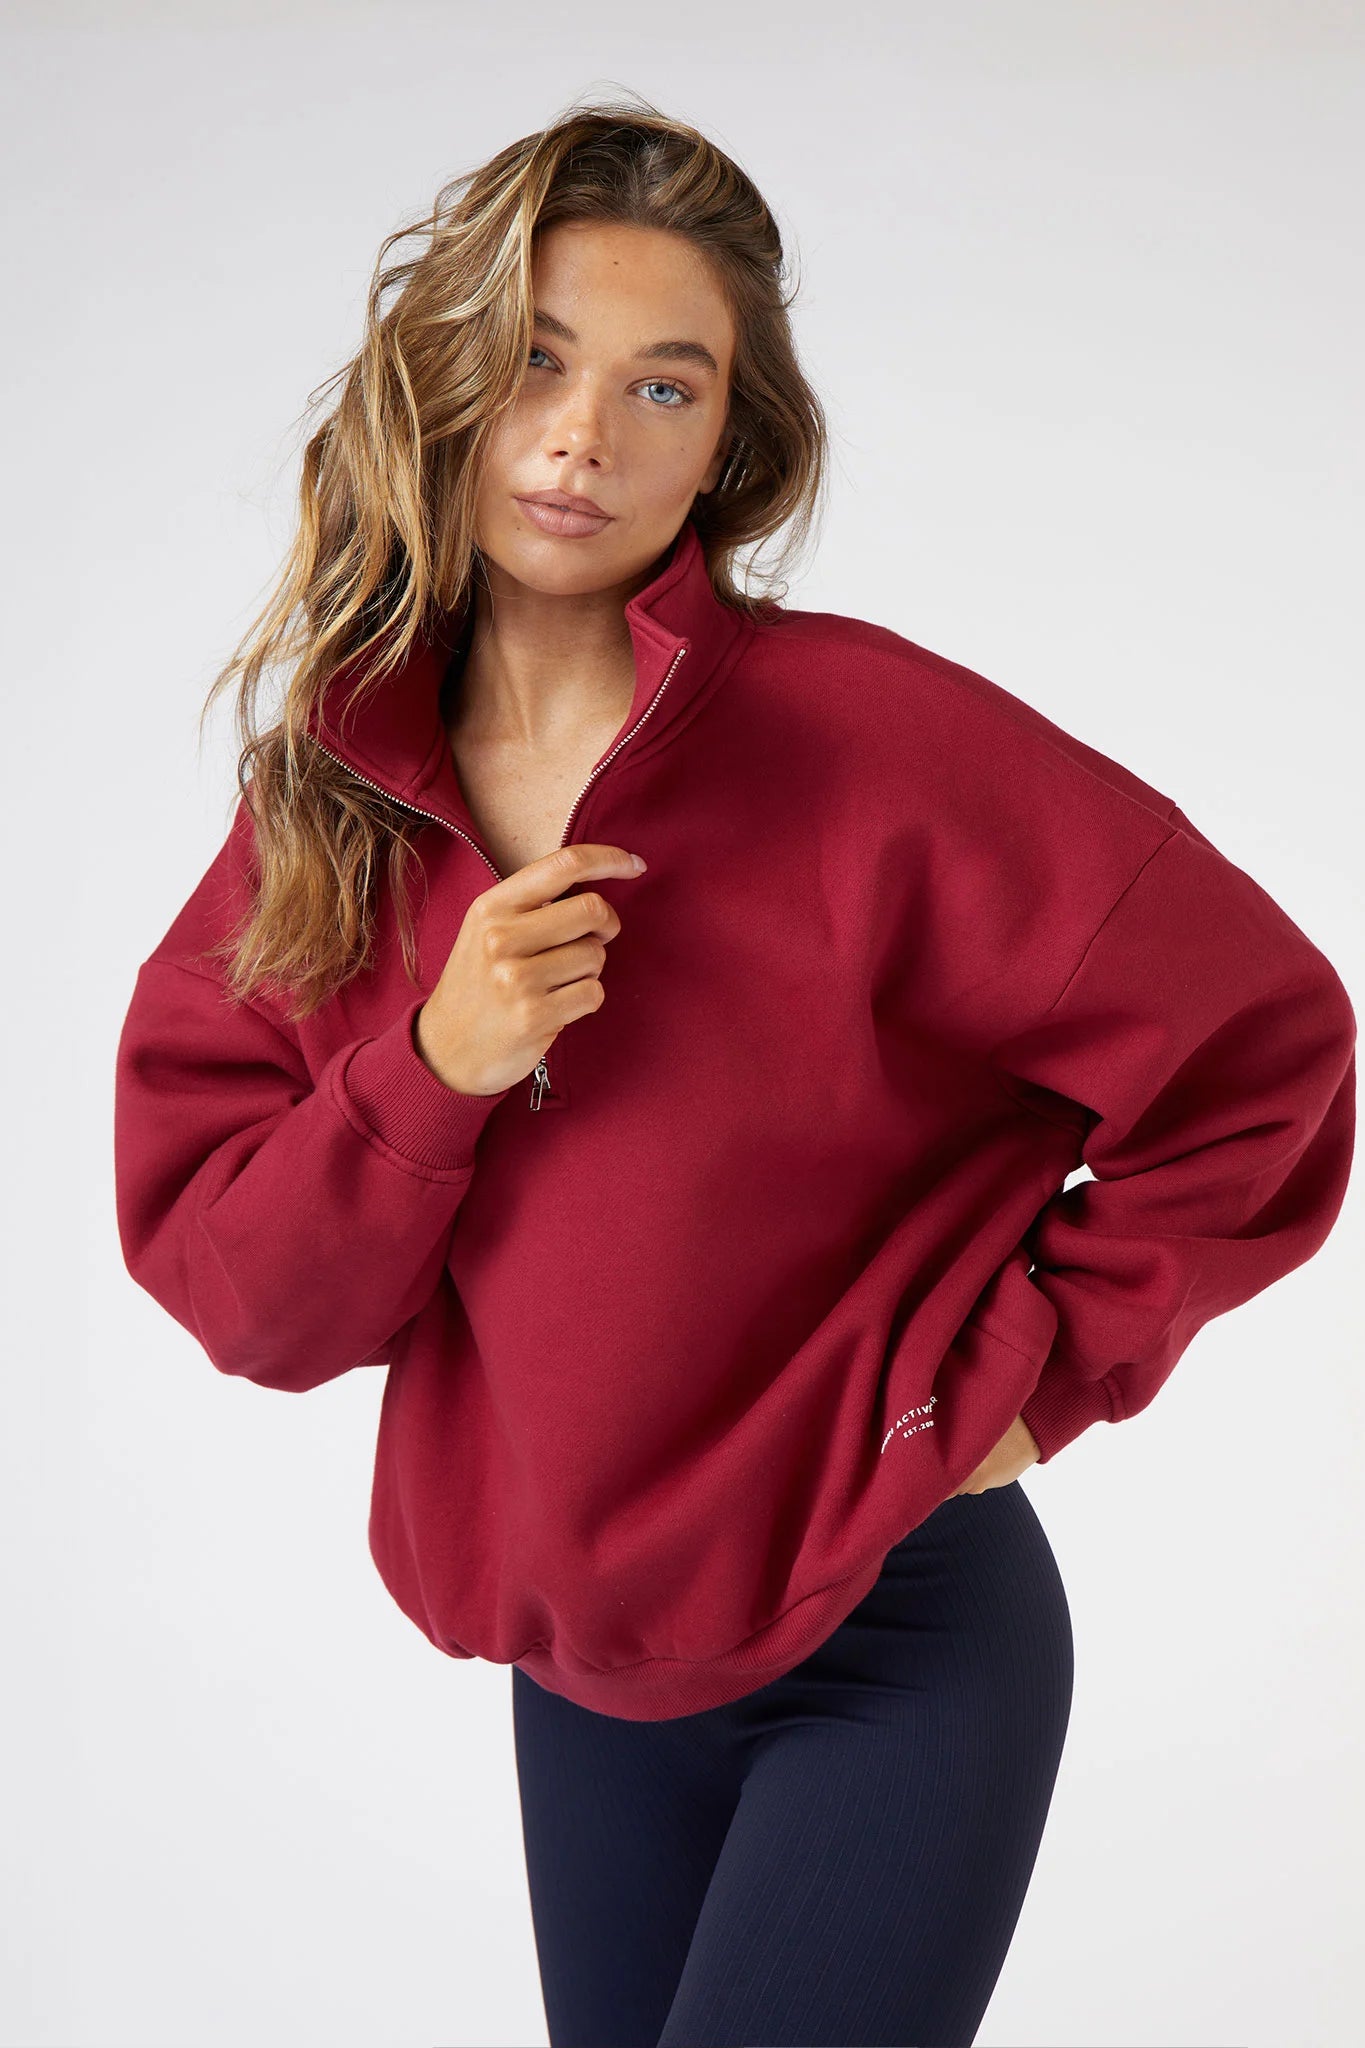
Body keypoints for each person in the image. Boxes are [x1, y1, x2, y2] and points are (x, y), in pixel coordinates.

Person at [112, 96, 1356, 2048]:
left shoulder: (863, 738)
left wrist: (1034, 1376)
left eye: (661, 386)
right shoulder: (333, 807)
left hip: (897, 1636)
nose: (581, 436)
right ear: (442, 382)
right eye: (535, 359)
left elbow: (1260, 1050)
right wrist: (436, 1069)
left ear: (726, 444)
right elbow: (248, 1295)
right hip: (582, 1672)